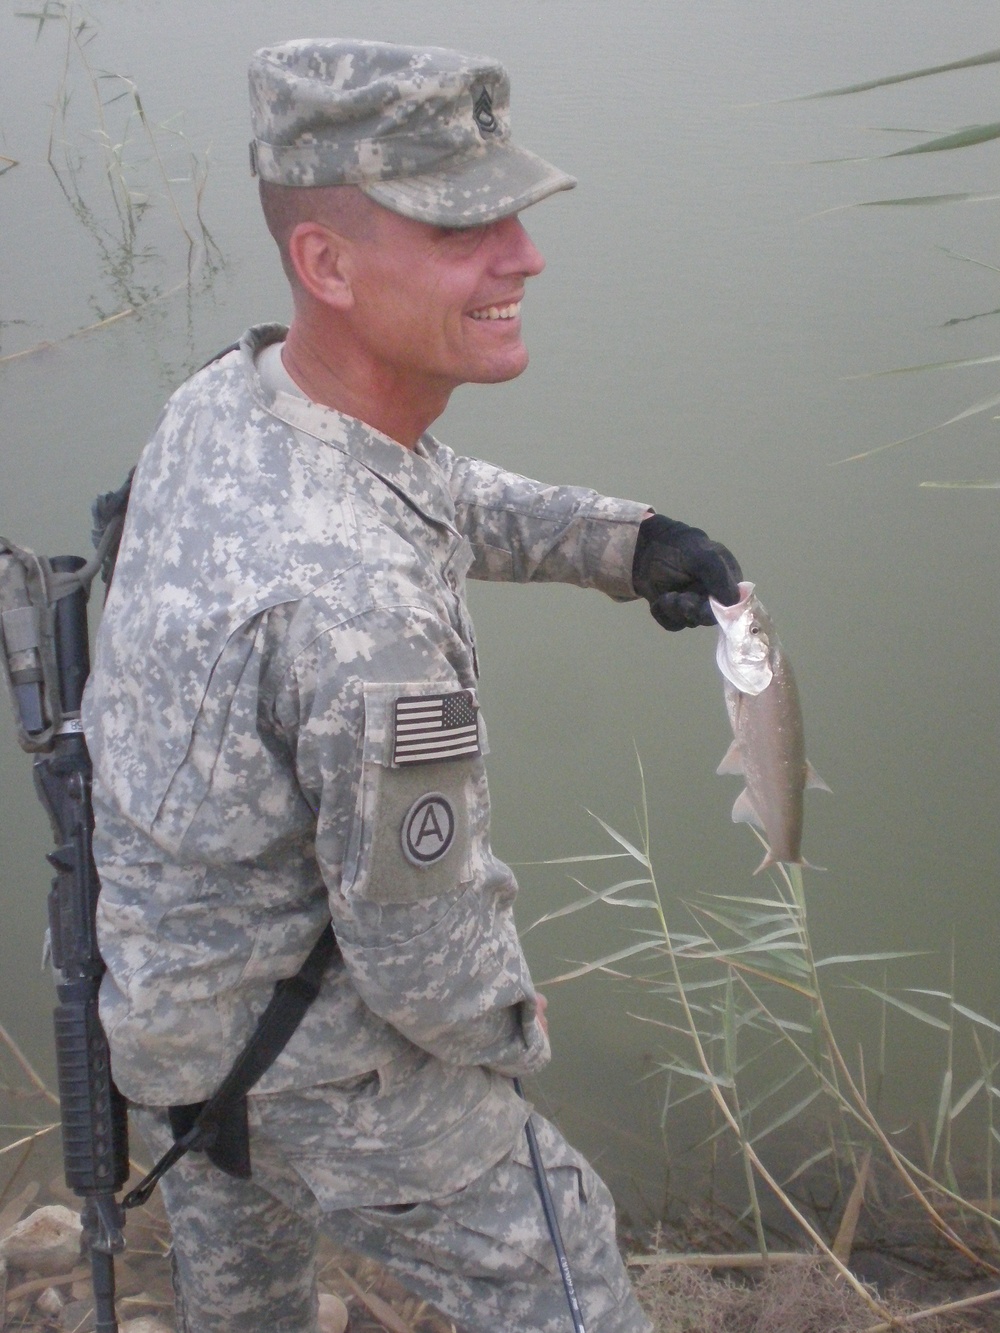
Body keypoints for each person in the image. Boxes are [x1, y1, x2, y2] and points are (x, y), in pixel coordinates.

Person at [82, 38, 741, 1333]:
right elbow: (427, 963)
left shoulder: (227, 400)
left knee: (243, 1310)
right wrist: (516, 1028)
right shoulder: (362, 621)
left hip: (166, 1021)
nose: (524, 256)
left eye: (513, 213)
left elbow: (416, 493)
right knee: (571, 1277)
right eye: (464, 227)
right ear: (326, 264)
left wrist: (622, 539)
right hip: (333, 1074)